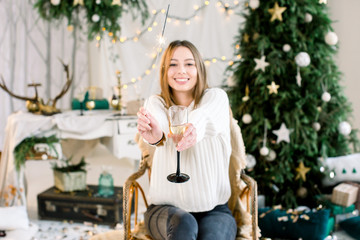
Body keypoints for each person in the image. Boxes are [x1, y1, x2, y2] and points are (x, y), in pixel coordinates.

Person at [136, 40, 237, 240]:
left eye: (189, 64)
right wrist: (156, 136)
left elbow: (206, 117)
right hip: (165, 210)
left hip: (215, 210)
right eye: (173, 64)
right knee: (184, 225)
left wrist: (194, 129)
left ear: (199, 69)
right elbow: (160, 128)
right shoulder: (156, 103)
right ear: (165, 71)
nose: (181, 70)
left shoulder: (217, 98)